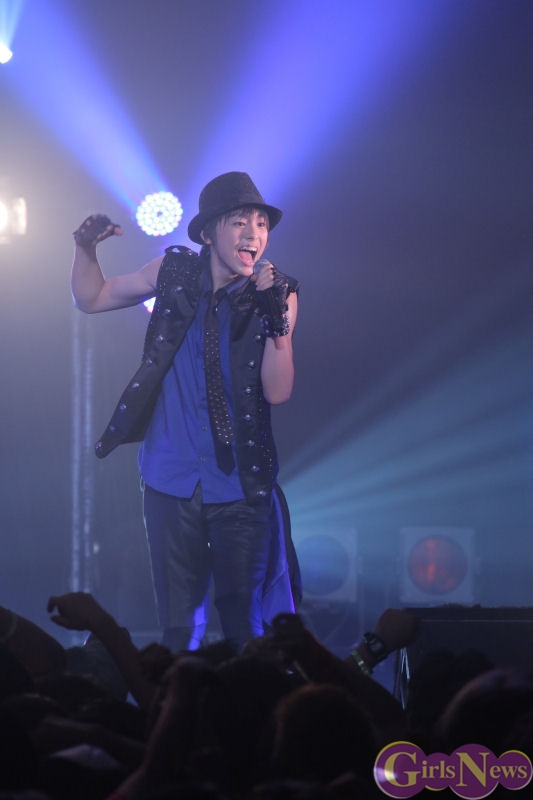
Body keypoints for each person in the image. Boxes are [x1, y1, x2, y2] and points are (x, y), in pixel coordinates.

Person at [71, 171, 301, 653]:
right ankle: (180, 699)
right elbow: (91, 298)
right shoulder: (172, 273)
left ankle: (249, 699)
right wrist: (86, 250)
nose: (254, 234)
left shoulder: (276, 293)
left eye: (261, 224)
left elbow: (278, 392)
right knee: (179, 628)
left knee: (244, 624)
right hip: (169, 478)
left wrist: (277, 319)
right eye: (240, 222)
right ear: (208, 233)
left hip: (239, 483)